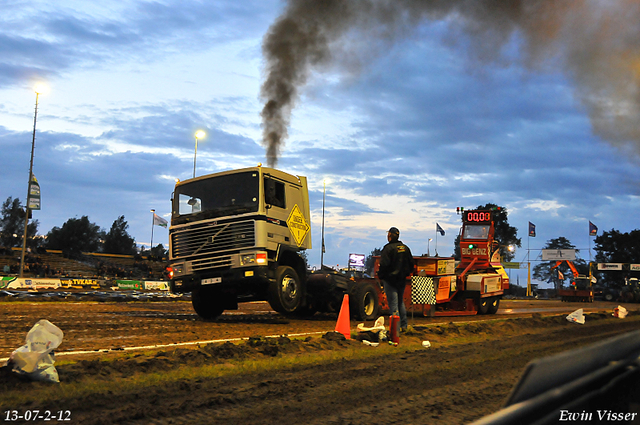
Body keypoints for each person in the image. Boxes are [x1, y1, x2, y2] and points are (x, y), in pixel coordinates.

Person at [377, 227, 414, 336]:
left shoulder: (388, 249)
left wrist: (381, 276)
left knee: (393, 305)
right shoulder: (405, 248)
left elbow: (384, 265)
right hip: (401, 280)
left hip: (390, 280)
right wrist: (405, 274)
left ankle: (395, 330)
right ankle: (404, 326)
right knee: (400, 302)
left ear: (390, 236)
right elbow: (411, 264)